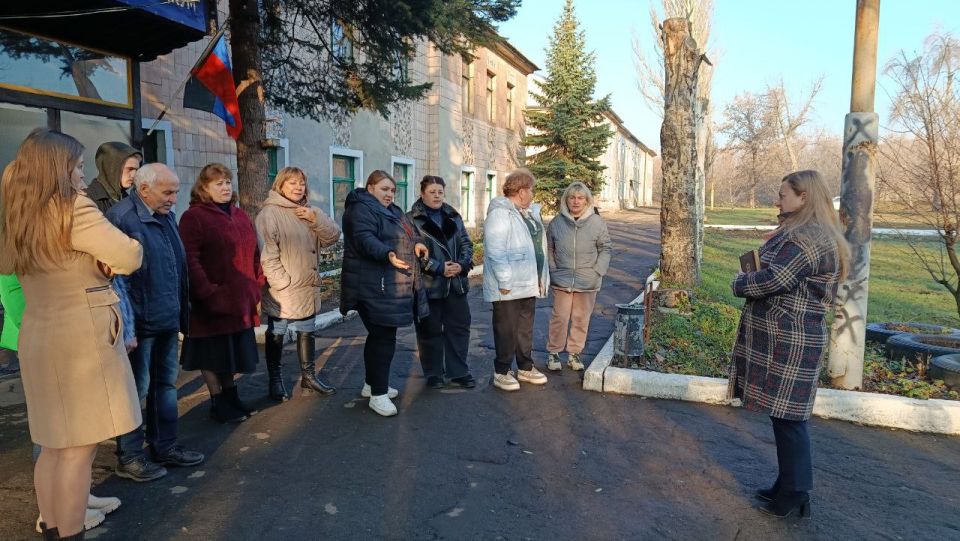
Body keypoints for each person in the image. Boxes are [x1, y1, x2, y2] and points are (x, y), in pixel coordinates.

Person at [0, 128, 143, 540]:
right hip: (81, 338)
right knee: (79, 451)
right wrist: (119, 251)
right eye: (78, 166)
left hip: (40, 334)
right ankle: (72, 533)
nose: (83, 176)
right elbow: (128, 256)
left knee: (53, 446)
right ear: (57, 169)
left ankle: (53, 529)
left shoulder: (19, 212)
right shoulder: (72, 208)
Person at [728, 170, 850, 519]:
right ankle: (789, 486)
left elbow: (774, 279)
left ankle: (796, 491)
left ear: (804, 196)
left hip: (789, 338)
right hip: (792, 334)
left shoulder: (807, 238)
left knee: (790, 419)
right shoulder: (808, 232)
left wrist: (741, 281)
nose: (777, 200)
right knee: (786, 417)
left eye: (783, 194)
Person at [0, 273, 127, 535]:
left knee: (76, 435)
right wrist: (45, 331)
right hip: (45, 340)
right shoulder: (19, 234)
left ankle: (79, 498)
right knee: (53, 438)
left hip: (53, 335)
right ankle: (50, 513)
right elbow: (12, 292)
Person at [108, 163, 204, 483]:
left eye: (176, 191)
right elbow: (115, 280)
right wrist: (128, 327)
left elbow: (175, 268)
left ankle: (165, 446)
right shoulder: (121, 218)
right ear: (144, 188)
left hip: (166, 317)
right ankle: (130, 456)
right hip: (140, 324)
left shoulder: (164, 215)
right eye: (168, 192)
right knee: (136, 390)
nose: (175, 198)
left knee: (165, 386)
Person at [340, 170, 429, 416]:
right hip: (372, 286)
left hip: (389, 285)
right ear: (370, 189)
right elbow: (364, 239)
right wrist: (387, 253)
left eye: (392, 190)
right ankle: (378, 395)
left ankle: (371, 386)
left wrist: (419, 243)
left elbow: (412, 233)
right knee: (383, 338)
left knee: (380, 336)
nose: (389, 194)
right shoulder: (360, 209)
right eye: (384, 189)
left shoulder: (394, 211)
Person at [179, 164, 263, 423]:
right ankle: (217, 402)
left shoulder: (238, 214)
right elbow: (190, 260)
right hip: (211, 302)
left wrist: (257, 283)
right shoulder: (194, 217)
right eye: (218, 183)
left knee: (231, 352)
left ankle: (231, 396)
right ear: (204, 188)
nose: (226, 187)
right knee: (212, 354)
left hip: (239, 301)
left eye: (228, 182)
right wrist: (207, 293)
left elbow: (254, 252)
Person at [256, 167, 341, 400]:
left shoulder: (308, 211)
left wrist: (316, 219)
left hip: (307, 284)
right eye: (292, 183)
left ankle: (309, 377)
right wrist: (281, 283)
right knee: (277, 333)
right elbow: (267, 254)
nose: (298, 187)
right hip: (283, 287)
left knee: (307, 331)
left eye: (301, 183)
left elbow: (332, 236)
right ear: (280, 186)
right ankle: (275, 380)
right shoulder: (270, 213)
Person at [483, 168, 550, 391]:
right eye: (530, 190)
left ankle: (525, 367)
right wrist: (504, 281)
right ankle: (502, 371)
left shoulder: (527, 213)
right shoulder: (500, 214)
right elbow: (496, 250)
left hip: (528, 283)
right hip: (509, 286)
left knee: (524, 329)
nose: (532, 194)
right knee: (506, 330)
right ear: (521, 191)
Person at [408, 175, 476, 389]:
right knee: (430, 330)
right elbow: (412, 249)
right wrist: (438, 268)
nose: (437, 196)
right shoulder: (412, 219)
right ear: (422, 193)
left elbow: (466, 243)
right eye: (432, 192)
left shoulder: (452, 215)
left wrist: (461, 264)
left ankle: (459, 372)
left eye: (440, 192)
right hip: (429, 284)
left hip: (455, 283)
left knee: (459, 327)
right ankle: (434, 373)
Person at [545, 182, 612, 372]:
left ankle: (574, 353)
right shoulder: (557, 223)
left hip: (588, 280)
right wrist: (553, 268)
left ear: (586, 201)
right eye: (572, 197)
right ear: (566, 200)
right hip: (562, 278)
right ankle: (554, 353)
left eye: (580, 198)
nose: (576, 201)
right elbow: (549, 248)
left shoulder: (597, 223)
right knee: (560, 317)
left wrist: (598, 271)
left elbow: (605, 248)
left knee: (581, 318)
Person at [85, 142, 141, 214]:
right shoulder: (88, 198)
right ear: (112, 168)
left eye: (136, 170)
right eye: (130, 169)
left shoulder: (128, 199)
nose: (134, 175)